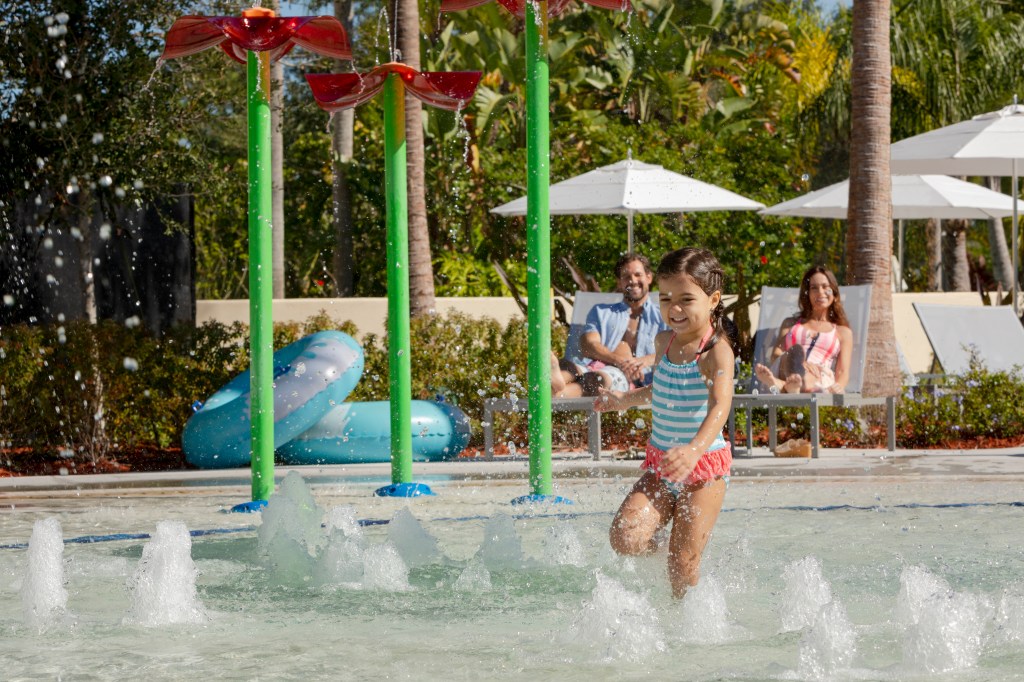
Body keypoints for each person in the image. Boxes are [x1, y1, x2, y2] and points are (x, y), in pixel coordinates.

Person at [595, 247, 734, 599]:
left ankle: (685, 614)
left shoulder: (715, 351)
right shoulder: (664, 341)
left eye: (687, 299)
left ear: (713, 299)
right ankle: (667, 558)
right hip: (663, 465)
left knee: (683, 569)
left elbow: (721, 405)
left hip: (703, 468)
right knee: (625, 537)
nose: (674, 309)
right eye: (667, 298)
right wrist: (625, 400)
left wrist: (693, 450)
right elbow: (665, 388)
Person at [551, 253, 668, 397]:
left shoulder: (664, 315)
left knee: (596, 378)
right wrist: (619, 361)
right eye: (626, 276)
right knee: (568, 366)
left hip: (631, 382)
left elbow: (674, 348)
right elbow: (588, 345)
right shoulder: (601, 312)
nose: (632, 280)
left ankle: (554, 393)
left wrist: (640, 362)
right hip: (594, 367)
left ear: (649, 277)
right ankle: (556, 383)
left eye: (638, 275)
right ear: (619, 282)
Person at [754, 266, 853, 394]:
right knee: (794, 352)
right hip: (785, 368)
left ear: (834, 293)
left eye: (825, 287)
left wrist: (838, 386)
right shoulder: (791, 324)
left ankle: (784, 386)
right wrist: (801, 363)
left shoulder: (843, 332)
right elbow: (776, 354)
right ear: (807, 294)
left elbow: (843, 371)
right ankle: (794, 384)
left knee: (813, 374)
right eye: (814, 288)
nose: (820, 292)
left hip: (819, 377)